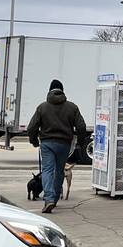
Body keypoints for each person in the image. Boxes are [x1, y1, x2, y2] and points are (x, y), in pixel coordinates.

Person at [27, 79, 88, 213]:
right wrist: (81, 142)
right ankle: (54, 199)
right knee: (59, 171)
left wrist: (34, 141)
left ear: (49, 91)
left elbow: (31, 127)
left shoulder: (42, 107)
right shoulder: (72, 107)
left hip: (47, 143)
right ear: (62, 91)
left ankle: (48, 199)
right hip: (64, 144)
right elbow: (81, 126)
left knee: (48, 170)